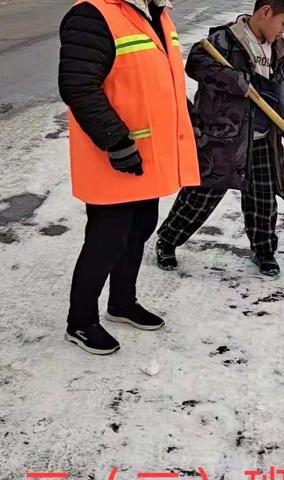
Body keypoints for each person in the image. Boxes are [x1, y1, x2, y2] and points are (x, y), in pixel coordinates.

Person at [58, 0, 200, 355]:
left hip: (148, 157)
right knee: (106, 240)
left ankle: (122, 302)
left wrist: (187, 114)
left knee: (140, 229)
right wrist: (117, 142)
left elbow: (163, 76)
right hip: (113, 155)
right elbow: (78, 86)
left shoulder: (157, 13)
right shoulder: (93, 14)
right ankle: (80, 321)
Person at [156, 0, 284, 278]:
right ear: (266, 13)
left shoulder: (276, 50)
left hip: (262, 139)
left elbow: (279, 101)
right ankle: (167, 240)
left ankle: (264, 251)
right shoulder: (224, 41)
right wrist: (236, 81)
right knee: (200, 197)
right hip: (223, 138)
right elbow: (196, 62)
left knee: (263, 200)